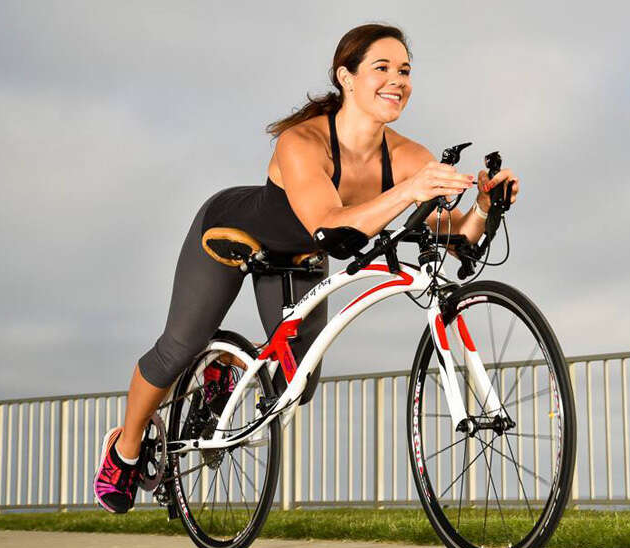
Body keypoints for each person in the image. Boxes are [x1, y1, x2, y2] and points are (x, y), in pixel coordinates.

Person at [93, 22, 520, 514]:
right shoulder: (303, 142)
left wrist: (487, 206)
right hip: (231, 234)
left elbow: (458, 236)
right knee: (179, 347)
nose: (397, 80)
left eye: (404, 70)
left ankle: (230, 369)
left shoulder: (407, 156)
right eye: (381, 68)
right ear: (347, 77)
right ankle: (123, 453)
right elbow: (328, 223)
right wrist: (408, 191)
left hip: (298, 259)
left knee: (302, 382)